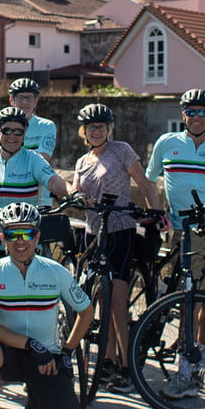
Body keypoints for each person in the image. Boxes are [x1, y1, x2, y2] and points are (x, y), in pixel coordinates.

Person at [0, 202, 94, 409]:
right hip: (10, 354)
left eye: (26, 233)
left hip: (48, 360)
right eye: (12, 234)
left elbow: (86, 311)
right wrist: (30, 345)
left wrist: (67, 351)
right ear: (3, 239)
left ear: (37, 236)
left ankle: (36, 396)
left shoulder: (55, 271)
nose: (20, 241)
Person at [144, 89, 205, 394]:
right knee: (189, 300)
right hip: (184, 230)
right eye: (191, 111)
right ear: (183, 114)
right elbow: (148, 180)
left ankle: (199, 363)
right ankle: (184, 370)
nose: (197, 117)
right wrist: (156, 213)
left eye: (203, 112)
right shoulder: (166, 143)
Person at [70, 102, 161, 391]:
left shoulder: (121, 150)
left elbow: (145, 183)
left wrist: (156, 213)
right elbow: (74, 190)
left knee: (118, 301)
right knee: (100, 299)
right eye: (91, 127)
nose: (96, 131)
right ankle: (107, 360)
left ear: (109, 128)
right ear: (84, 131)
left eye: (101, 127)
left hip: (120, 230)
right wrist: (76, 196)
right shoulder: (82, 161)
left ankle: (127, 364)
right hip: (93, 233)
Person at [0, 107, 68, 233]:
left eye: (18, 132)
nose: (12, 136)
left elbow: (53, 180)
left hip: (24, 239)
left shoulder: (33, 158)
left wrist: (73, 193)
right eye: (6, 131)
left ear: (24, 133)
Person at [0, 78, 56, 170]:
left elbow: (42, 161)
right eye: (20, 98)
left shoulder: (47, 126)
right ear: (11, 100)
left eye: (29, 98)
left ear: (35, 102)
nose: (24, 102)